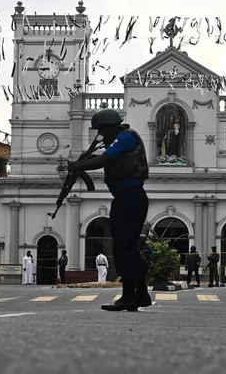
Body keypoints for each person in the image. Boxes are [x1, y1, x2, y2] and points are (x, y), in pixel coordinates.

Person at [67, 108, 149, 311]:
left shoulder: (126, 138)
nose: (102, 136)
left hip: (130, 197)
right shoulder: (120, 139)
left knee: (124, 249)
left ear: (111, 127)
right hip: (125, 197)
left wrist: (77, 166)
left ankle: (130, 296)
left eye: (102, 131)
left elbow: (105, 159)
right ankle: (141, 295)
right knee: (128, 248)